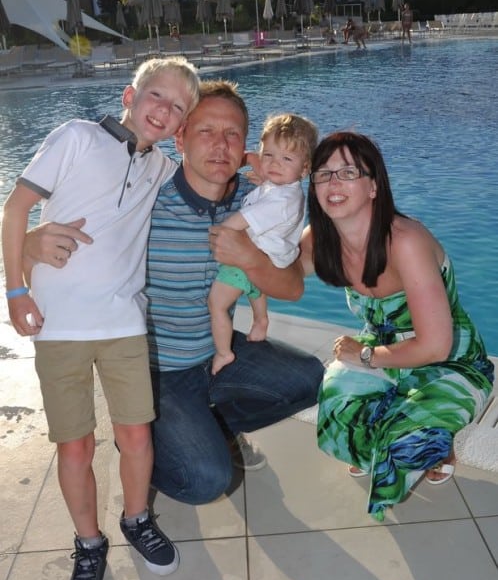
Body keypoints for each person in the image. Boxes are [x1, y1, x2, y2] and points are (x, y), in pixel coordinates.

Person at [22, 80, 325, 511]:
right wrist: (28, 245)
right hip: (157, 372)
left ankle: (209, 427)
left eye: (232, 134)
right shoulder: (146, 198)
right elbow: (67, 228)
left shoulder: (258, 199)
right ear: (179, 137)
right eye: (205, 131)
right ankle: (145, 448)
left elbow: (292, 285)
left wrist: (251, 257)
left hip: (216, 352)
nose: (220, 145)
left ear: (246, 146)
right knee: (207, 480)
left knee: (310, 379)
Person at [2, 57, 200, 580]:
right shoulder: (76, 137)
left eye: (177, 107)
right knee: (76, 444)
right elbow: (15, 207)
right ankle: (88, 544)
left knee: (136, 436)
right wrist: (16, 288)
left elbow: (212, 175)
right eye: (155, 95)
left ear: (180, 124)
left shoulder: (160, 168)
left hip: (123, 325)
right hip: (59, 325)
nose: (163, 109)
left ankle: (136, 519)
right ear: (128, 96)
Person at [300, 130, 494, 522]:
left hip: (448, 358)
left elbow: (435, 346)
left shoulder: (404, 240)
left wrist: (366, 355)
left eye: (348, 172)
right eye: (324, 173)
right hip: (385, 351)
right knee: (338, 406)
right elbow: (280, 278)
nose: (334, 182)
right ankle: (382, 434)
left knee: (408, 443)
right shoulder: (319, 239)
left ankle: (439, 443)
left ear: (373, 187)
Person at [208, 113, 317, 375]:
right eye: (268, 155)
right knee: (255, 287)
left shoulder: (279, 200)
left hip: (255, 256)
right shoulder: (283, 189)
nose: (274, 164)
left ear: (305, 169)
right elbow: (269, 189)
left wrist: (220, 232)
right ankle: (260, 319)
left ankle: (223, 352)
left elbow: (242, 220)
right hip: (269, 256)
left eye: (286, 159)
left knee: (217, 304)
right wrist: (263, 178)